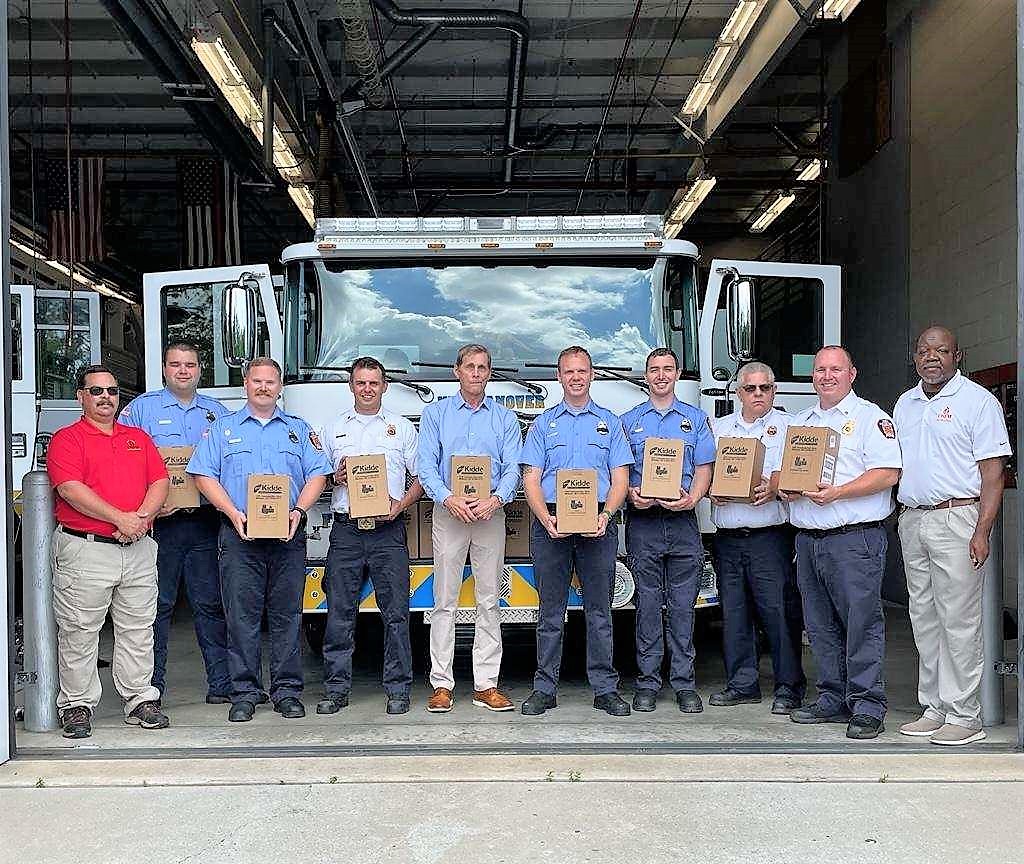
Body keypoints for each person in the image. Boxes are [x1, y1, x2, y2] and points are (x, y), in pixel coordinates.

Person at [188, 358, 332, 722]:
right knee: (241, 616)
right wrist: (232, 513)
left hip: (288, 535)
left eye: (271, 382)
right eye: (257, 381)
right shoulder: (222, 430)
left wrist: (298, 511)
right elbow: (203, 475)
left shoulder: (299, 430)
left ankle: (286, 691)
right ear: (245, 383)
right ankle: (246, 691)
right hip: (240, 534)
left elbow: (318, 474)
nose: (264, 387)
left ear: (280, 387)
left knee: (287, 616)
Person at [894, 326, 1011, 745]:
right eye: (924, 350)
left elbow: (993, 475)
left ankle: (965, 714)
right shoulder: (905, 404)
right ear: (915, 356)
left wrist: (983, 531)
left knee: (959, 621)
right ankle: (935, 706)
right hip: (914, 519)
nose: (931, 357)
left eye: (941, 350)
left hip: (957, 518)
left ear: (957, 355)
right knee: (924, 619)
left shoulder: (978, 402)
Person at [777, 346, 901, 740]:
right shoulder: (802, 422)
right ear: (812, 376)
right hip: (809, 540)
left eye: (835, 369)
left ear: (852, 373)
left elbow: (887, 474)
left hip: (854, 539)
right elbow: (785, 472)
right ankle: (831, 697)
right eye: (820, 370)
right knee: (820, 626)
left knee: (861, 623)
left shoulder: (870, 419)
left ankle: (867, 705)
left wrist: (839, 492)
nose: (826, 376)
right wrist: (786, 486)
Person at [47, 364, 170, 739]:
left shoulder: (137, 438)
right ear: (80, 396)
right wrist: (121, 517)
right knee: (80, 631)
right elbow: (70, 489)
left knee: (138, 629)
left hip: (137, 549)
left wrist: (142, 518)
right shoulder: (67, 439)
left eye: (112, 391)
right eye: (96, 391)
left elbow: (160, 480)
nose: (106, 397)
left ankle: (138, 699)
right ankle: (77, 705)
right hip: (87, 550)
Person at [519, 346, 633, 717]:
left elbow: (620, 478)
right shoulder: (542, 424)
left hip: (598, 522)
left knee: (599, 610)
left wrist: (607, 514)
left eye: (582, 370)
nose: (576, 377)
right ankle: (544, 688)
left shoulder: (610, 423)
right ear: (559, 377)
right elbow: (531, 479)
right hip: (551, 521)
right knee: (550, 611)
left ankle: (605, 688)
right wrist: (544, 518)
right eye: (569, 371)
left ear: (592, 374)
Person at [119, 342, 231, 705]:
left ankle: (221, 684)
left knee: (210, 604)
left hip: (204, 522)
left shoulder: (217, 414)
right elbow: (120, 460)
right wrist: (145, 505)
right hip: (159, 524)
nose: (183, 371)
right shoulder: (140, 410)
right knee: (157, 605)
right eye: (176, 365)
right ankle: (152, 687)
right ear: (164, 369)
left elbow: (230, 465)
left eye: (190, 365)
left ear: (200, 370)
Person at [417, 344, 522, 713]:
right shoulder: (436, 414)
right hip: (450, 514)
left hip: (490, 514)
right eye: (470, 367)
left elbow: (513, 466)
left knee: (489, 600)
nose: (476, 373)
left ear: (489, 373)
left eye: (482, 368)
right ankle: (442, 685)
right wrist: (447, 498)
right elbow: (425, 465)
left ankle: (486, 685)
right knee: (443, 601)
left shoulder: (505, 418)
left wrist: (497, 498)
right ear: (457, 371)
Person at [317, 357, 422, 716]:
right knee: (339, 613)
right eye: (360, 383)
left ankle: (398, 689)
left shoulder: (402, 428)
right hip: (346, 530)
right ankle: (336, 689)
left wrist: (400, 505)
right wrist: (336, 478)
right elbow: (318, 480)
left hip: (387, 530)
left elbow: (421, 477)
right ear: (351, 386)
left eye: (373, 383)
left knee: (396, 613)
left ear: (384, 387)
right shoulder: (332, 429)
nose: (367, 389)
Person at [619, 348, 715, 713]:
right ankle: (646, 683)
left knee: (682, 607)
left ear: (676, 374)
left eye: (668, 369)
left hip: (682, 522)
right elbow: (620, 469)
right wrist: (630, 494)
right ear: (646, 376)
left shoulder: (695, 419)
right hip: (644, 522)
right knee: (645, 605)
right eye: (654, 370)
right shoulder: (629, 421)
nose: (661, 375)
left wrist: (693, 496)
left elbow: (704, 465)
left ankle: (684, 683)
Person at [709, 361, 805, 715]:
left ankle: (789, 687)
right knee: (734, 614)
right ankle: (742, 684)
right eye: (751, 389)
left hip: (769, 537)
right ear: (738, 393)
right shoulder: (718, 429)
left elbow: (802, 471)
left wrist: (776, 485)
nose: (758, 394)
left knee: (779, 614)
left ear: (774, 391)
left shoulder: (790, 427)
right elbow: (705, 473)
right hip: (729, 537)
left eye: (765, 388)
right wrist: (710, 492)